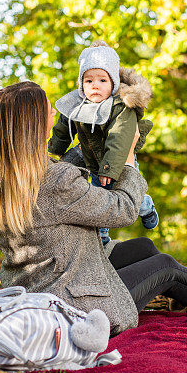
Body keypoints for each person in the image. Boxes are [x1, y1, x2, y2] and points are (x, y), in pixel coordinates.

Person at [0, 81, 187, 335]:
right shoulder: (54, 181)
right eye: (48, 111)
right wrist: (127, 157)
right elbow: (125, 209)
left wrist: (95, 142)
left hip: (39, 282)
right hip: (74, 304)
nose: (55, 114)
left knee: (143, 249)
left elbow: (58, 190)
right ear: (32, 125)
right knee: (165, 267)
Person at [48, 41, 157, 245]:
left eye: (102, 80)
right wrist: (56, 147)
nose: (95, 85)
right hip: (93, 164)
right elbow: (64, 125)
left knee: (130, 195)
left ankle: (147, 206)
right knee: (100, 200)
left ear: (113, 83)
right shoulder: (79, 103)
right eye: (88, 81)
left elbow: (120, 138)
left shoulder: (120, 106)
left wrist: (109, 169)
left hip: (119, 164)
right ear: (81, 83)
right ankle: (103, 237)